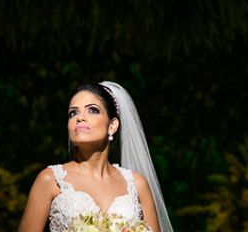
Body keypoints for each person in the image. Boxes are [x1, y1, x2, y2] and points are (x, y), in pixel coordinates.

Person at [18, 81, 173, 232]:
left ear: (112, 126)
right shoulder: (51, 180)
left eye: (92, 110)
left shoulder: (137, 184)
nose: (80, 118)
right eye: (73, 113)